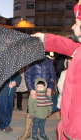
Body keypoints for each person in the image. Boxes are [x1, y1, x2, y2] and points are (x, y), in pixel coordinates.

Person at [31, 1, 81, 139]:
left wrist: (71, 132)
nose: (72, 26)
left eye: (76, 23)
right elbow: (71, 46)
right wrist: (45, 39)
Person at [19, 56, 56, 140]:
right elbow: (28, 76)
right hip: (34, 90)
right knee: (30, 110)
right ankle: (27, 132)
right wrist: (31, 89)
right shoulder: (30, 59)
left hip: (46, 90)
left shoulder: (49, 60)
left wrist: (50, 87)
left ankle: (40, 130)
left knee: (43, 110)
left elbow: (52, 75)